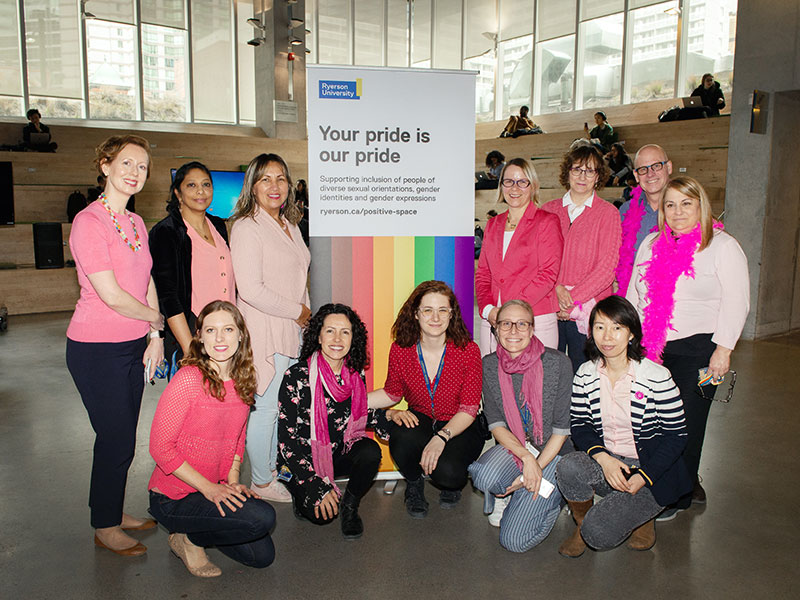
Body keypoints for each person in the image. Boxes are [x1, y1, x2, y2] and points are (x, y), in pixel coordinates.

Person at [626, 176, 749, 518]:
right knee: (654, 422)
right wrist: (628, 341)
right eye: (670, 204)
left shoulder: (721, 246)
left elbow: (737, 302)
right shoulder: (651, 243)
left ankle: (674, 495)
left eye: (686, 203)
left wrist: (723, 350)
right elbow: (635, 296)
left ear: (701, 206)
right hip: (654, 348)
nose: (678, 212)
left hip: (701, 350)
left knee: (687, 425)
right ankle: (668, 481)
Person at [65, 134, 164, 556]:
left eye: (142, 167)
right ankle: (104, 525)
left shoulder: (137, 223)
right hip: (95, 348)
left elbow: (147, 281)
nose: (134, 173)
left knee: (122, 437)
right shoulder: (89, 223)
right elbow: (112, 294)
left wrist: (154, 335)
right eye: (126, 163)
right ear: (105, 166)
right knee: (115, 437)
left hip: (131, 345)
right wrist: (155, 320)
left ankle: (112, 509)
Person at [556, 296, 691, 557]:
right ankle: (581, 525)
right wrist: (603, 459)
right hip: (611, 462)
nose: (607, 336)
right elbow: (581, 424)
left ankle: (644, 515)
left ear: (631, 333)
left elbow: (676, 435)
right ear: (590, 331)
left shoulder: (656, 377)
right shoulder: (585, 373)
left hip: (650, 468)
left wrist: (644, 476)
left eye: (617, 327)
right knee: (569, 466)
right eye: (599, 326)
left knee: (599, 535)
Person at [148, 301, 276, 577]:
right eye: (211, 330)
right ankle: (189, 539)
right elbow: (159, 448)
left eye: (228, 329)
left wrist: (232, 482)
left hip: (214, 487)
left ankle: (199, 529)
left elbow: (237, 437)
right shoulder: (188, 379)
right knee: (263, 517)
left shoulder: (244, 379)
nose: (220, 338)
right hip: (175, 496)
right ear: (200, 338)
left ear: (240, 335)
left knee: (262, 556)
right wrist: (209, 488)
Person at [230, 153, 311, 503]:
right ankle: (262, 482)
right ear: (253, 185)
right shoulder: (247, 227)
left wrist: (302, 321)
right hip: (265, 331)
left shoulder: (289, 224)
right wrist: (298, 312)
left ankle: (274, 470)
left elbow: (298, 276)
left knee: (281, 406)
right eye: (265, 179)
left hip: (290, 331)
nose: (274, 186)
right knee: (265, 408)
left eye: (280, 178)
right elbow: (250, 289)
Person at [369, 280, 484, 517]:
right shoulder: (401, 349)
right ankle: (414, 483)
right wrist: (350, 400)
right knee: (401, 433)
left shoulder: (468, 351)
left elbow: (470, 408)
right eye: (428, 310)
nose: (435, 317)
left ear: (452, 315)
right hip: (421, 418)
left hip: (458, 423)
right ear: (415, 313)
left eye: (443, 310)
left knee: (450, 474)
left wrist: (441, 437)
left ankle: (449, 483)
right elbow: (392, 393)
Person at [468, 300, 573, 552]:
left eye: (521, 324)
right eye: (506, 323)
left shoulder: (558, 363)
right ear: (496, 328)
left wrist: (535, 468)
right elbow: (496, 423)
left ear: (532, 329)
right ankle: (511, 491)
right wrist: (526, 458)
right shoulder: (490, 365)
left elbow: (561, 429)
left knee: (514, 541)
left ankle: (556, 497)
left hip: (553, 452)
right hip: (519, 449)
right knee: (482, 475)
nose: (513, 331)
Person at [277, 304, 387, 539]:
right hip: (302, 460)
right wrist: (314, 484)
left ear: (353, 337)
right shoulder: (295, 376)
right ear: (318, 335)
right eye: (330, 331)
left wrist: (392, 417)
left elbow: (357, 412)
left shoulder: (355, 373)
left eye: (345, 332)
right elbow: (287, 443)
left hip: (336, 451)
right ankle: (300, 492)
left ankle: (350, 506)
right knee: (320, 516)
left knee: (369, 452)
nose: (337, 338)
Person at [541, 145, 621, 372]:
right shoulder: (548, 210)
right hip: (549, 304)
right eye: (577, 169)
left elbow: (607, 268)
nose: (582, 176)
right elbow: (539, 260)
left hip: (588, 310)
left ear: (598, 177)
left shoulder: (608, 213)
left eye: (590, 171)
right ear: (567, 172)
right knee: (548, 374)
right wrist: (556, 290)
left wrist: (572, 299)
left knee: (584, 374)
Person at [149, 162, 234, 375]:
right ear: (178, 193)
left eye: (206, 184)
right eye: (191, 185)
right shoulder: (166, 232)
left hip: (226, 332)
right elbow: (168, 297)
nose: (200, 191)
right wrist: (190, 349)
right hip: (193, 334)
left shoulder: (218, 225)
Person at [476, 158, 563, 353]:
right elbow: (483, 273)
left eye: (522, 181)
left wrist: (510, 312)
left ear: (533, 186)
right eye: (508, 181)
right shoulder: (493, 224)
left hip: (534, 317)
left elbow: (548, 275)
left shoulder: (547, 222)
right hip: (494, 317)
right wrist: (488, 309)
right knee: (494, 381)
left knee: (536, 382)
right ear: (501, 185)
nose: (515, 188)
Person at [615, 144, 673, 295]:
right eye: (643, 169)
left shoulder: (686, 210)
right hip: (632, 300)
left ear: (669, 167)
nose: (650, 174)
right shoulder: (625, 212)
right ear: (636, 176)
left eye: (656, 166)